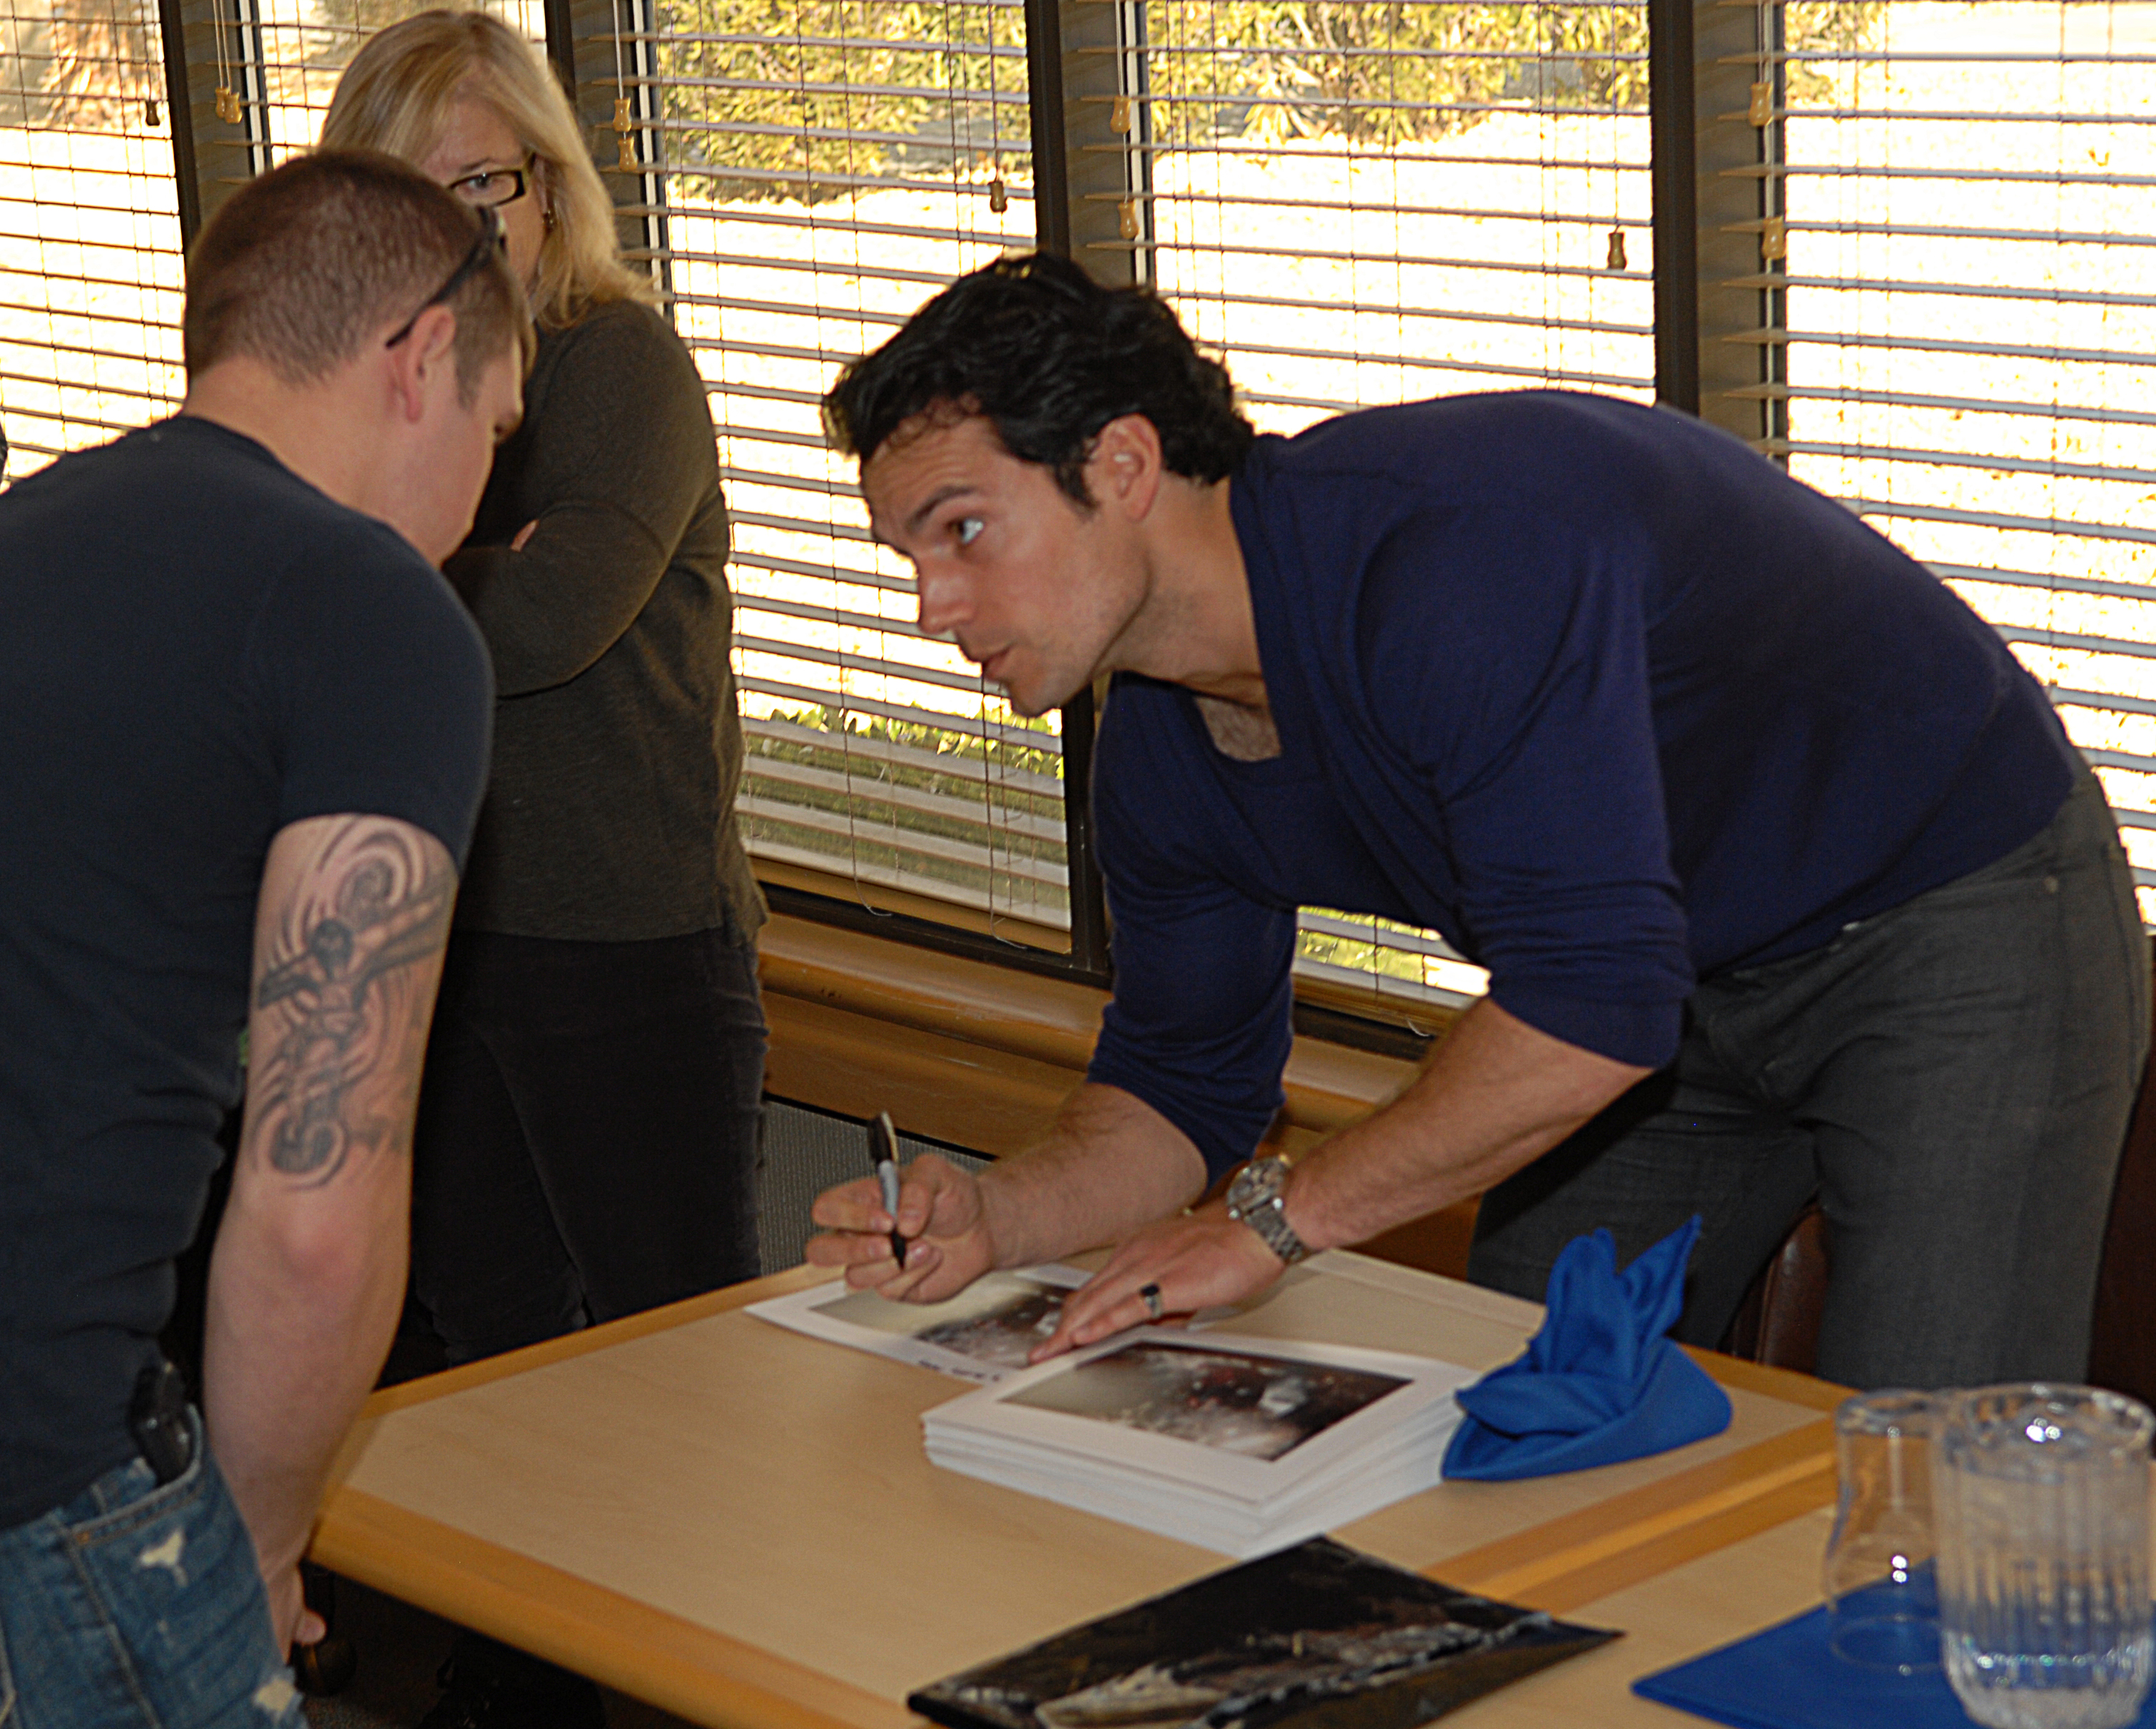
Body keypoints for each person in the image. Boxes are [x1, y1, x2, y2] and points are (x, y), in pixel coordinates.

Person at [806, 250, 2149, 1394]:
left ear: (1121, 463)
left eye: (963, 530)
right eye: (909, 558)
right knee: (1522, 1401)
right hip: (1659, 992)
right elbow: (1181, 1085)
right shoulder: (1157, 748)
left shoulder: (1443, 562)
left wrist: (1270, 1224)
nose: (931, 605)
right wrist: (997, 1212)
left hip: (1950, 910)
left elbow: (1588, 1000)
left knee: (1932, 1469)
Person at [0, 151, 517, 1723]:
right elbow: (315, 1211)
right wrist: (264, 1542)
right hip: (53, 1462)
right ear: (422, 355)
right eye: (500, 429)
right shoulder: (367, 611)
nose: (490, 485)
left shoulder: (29, 530)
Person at [320, 16, 767, 1365]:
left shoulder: (616, 363)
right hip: (440, 942)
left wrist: (401, 567)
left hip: (629, 947)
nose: (455, 231)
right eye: (412, 194)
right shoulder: (368, 392)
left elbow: (548, 621)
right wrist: (461, 567)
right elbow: (299, 606)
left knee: (673, 1359)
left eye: (483, 185)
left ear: (548, 186)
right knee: (475, 1357)